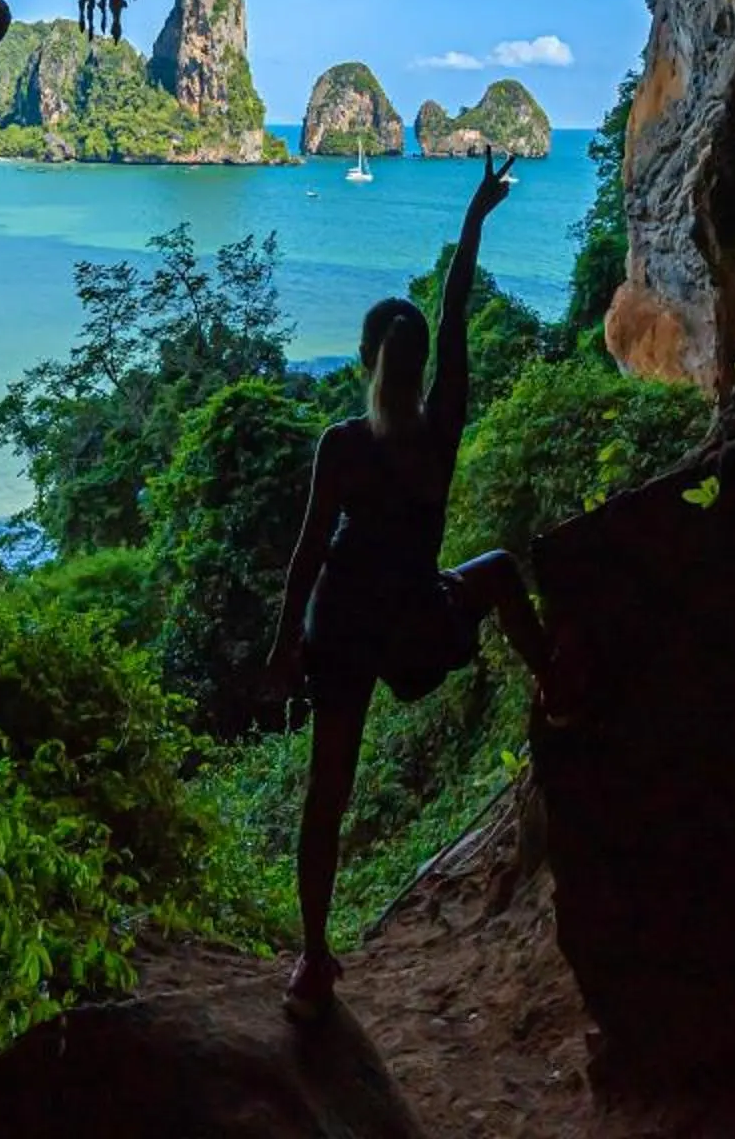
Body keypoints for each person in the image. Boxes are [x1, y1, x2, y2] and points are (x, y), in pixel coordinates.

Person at [262, 147, 575, 1022]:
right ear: (423, 364)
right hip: (414, 622)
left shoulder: (343, 445)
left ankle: (314, 956)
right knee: (504, 576)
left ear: (364, 359)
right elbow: (457, 310)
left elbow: (307, 554)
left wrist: (285, 646)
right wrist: (473, 223)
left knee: (329, 790)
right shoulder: (440, 431)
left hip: (346, 629)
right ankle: (553, 675)